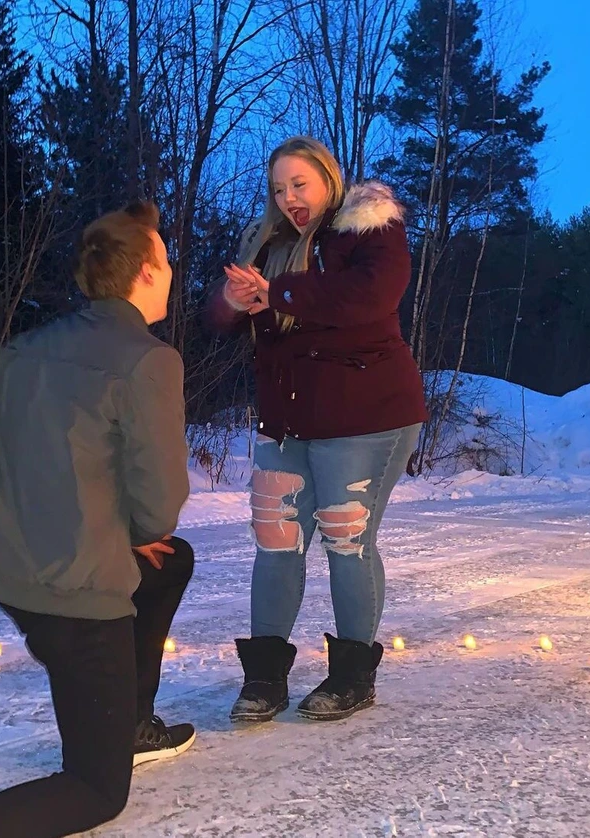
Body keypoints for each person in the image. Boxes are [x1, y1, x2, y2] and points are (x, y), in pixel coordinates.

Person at [0, 201, 195, 838]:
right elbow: (159, 505)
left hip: (12, 574)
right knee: (96, 790)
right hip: (74, 594)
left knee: (168, 563)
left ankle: (127, 717)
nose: (170, 271)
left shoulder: (34, 346)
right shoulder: (148, 359)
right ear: (141, 274)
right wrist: (113, 530)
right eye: (164, 260)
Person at [207, 136, 428, 724]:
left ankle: (353, 676)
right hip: (286, 421)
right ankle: (263, 679)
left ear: (328, 179)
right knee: (276, 544)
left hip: (366, 417)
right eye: (279, 189)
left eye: (299, 185)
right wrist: (232, 301)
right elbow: (222, 323)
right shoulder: (270, 242)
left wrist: (275, 292)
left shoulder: (369, 229)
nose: (289, 200)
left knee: (346, 541)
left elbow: (365, 298)